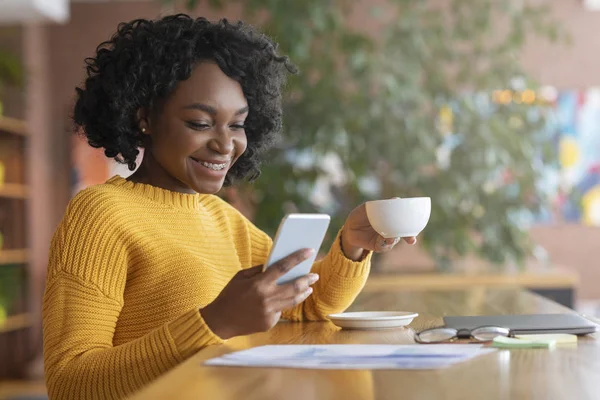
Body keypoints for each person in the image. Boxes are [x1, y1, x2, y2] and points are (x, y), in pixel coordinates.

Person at [42, 14, 416, 400]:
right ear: (144, 119)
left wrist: (352, 245)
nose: (226, 144)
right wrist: (213, 322)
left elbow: (307, 306)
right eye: (201, 123)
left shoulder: (223, 219)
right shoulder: (101, 214)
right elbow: (70, 383)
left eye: (237, 125)